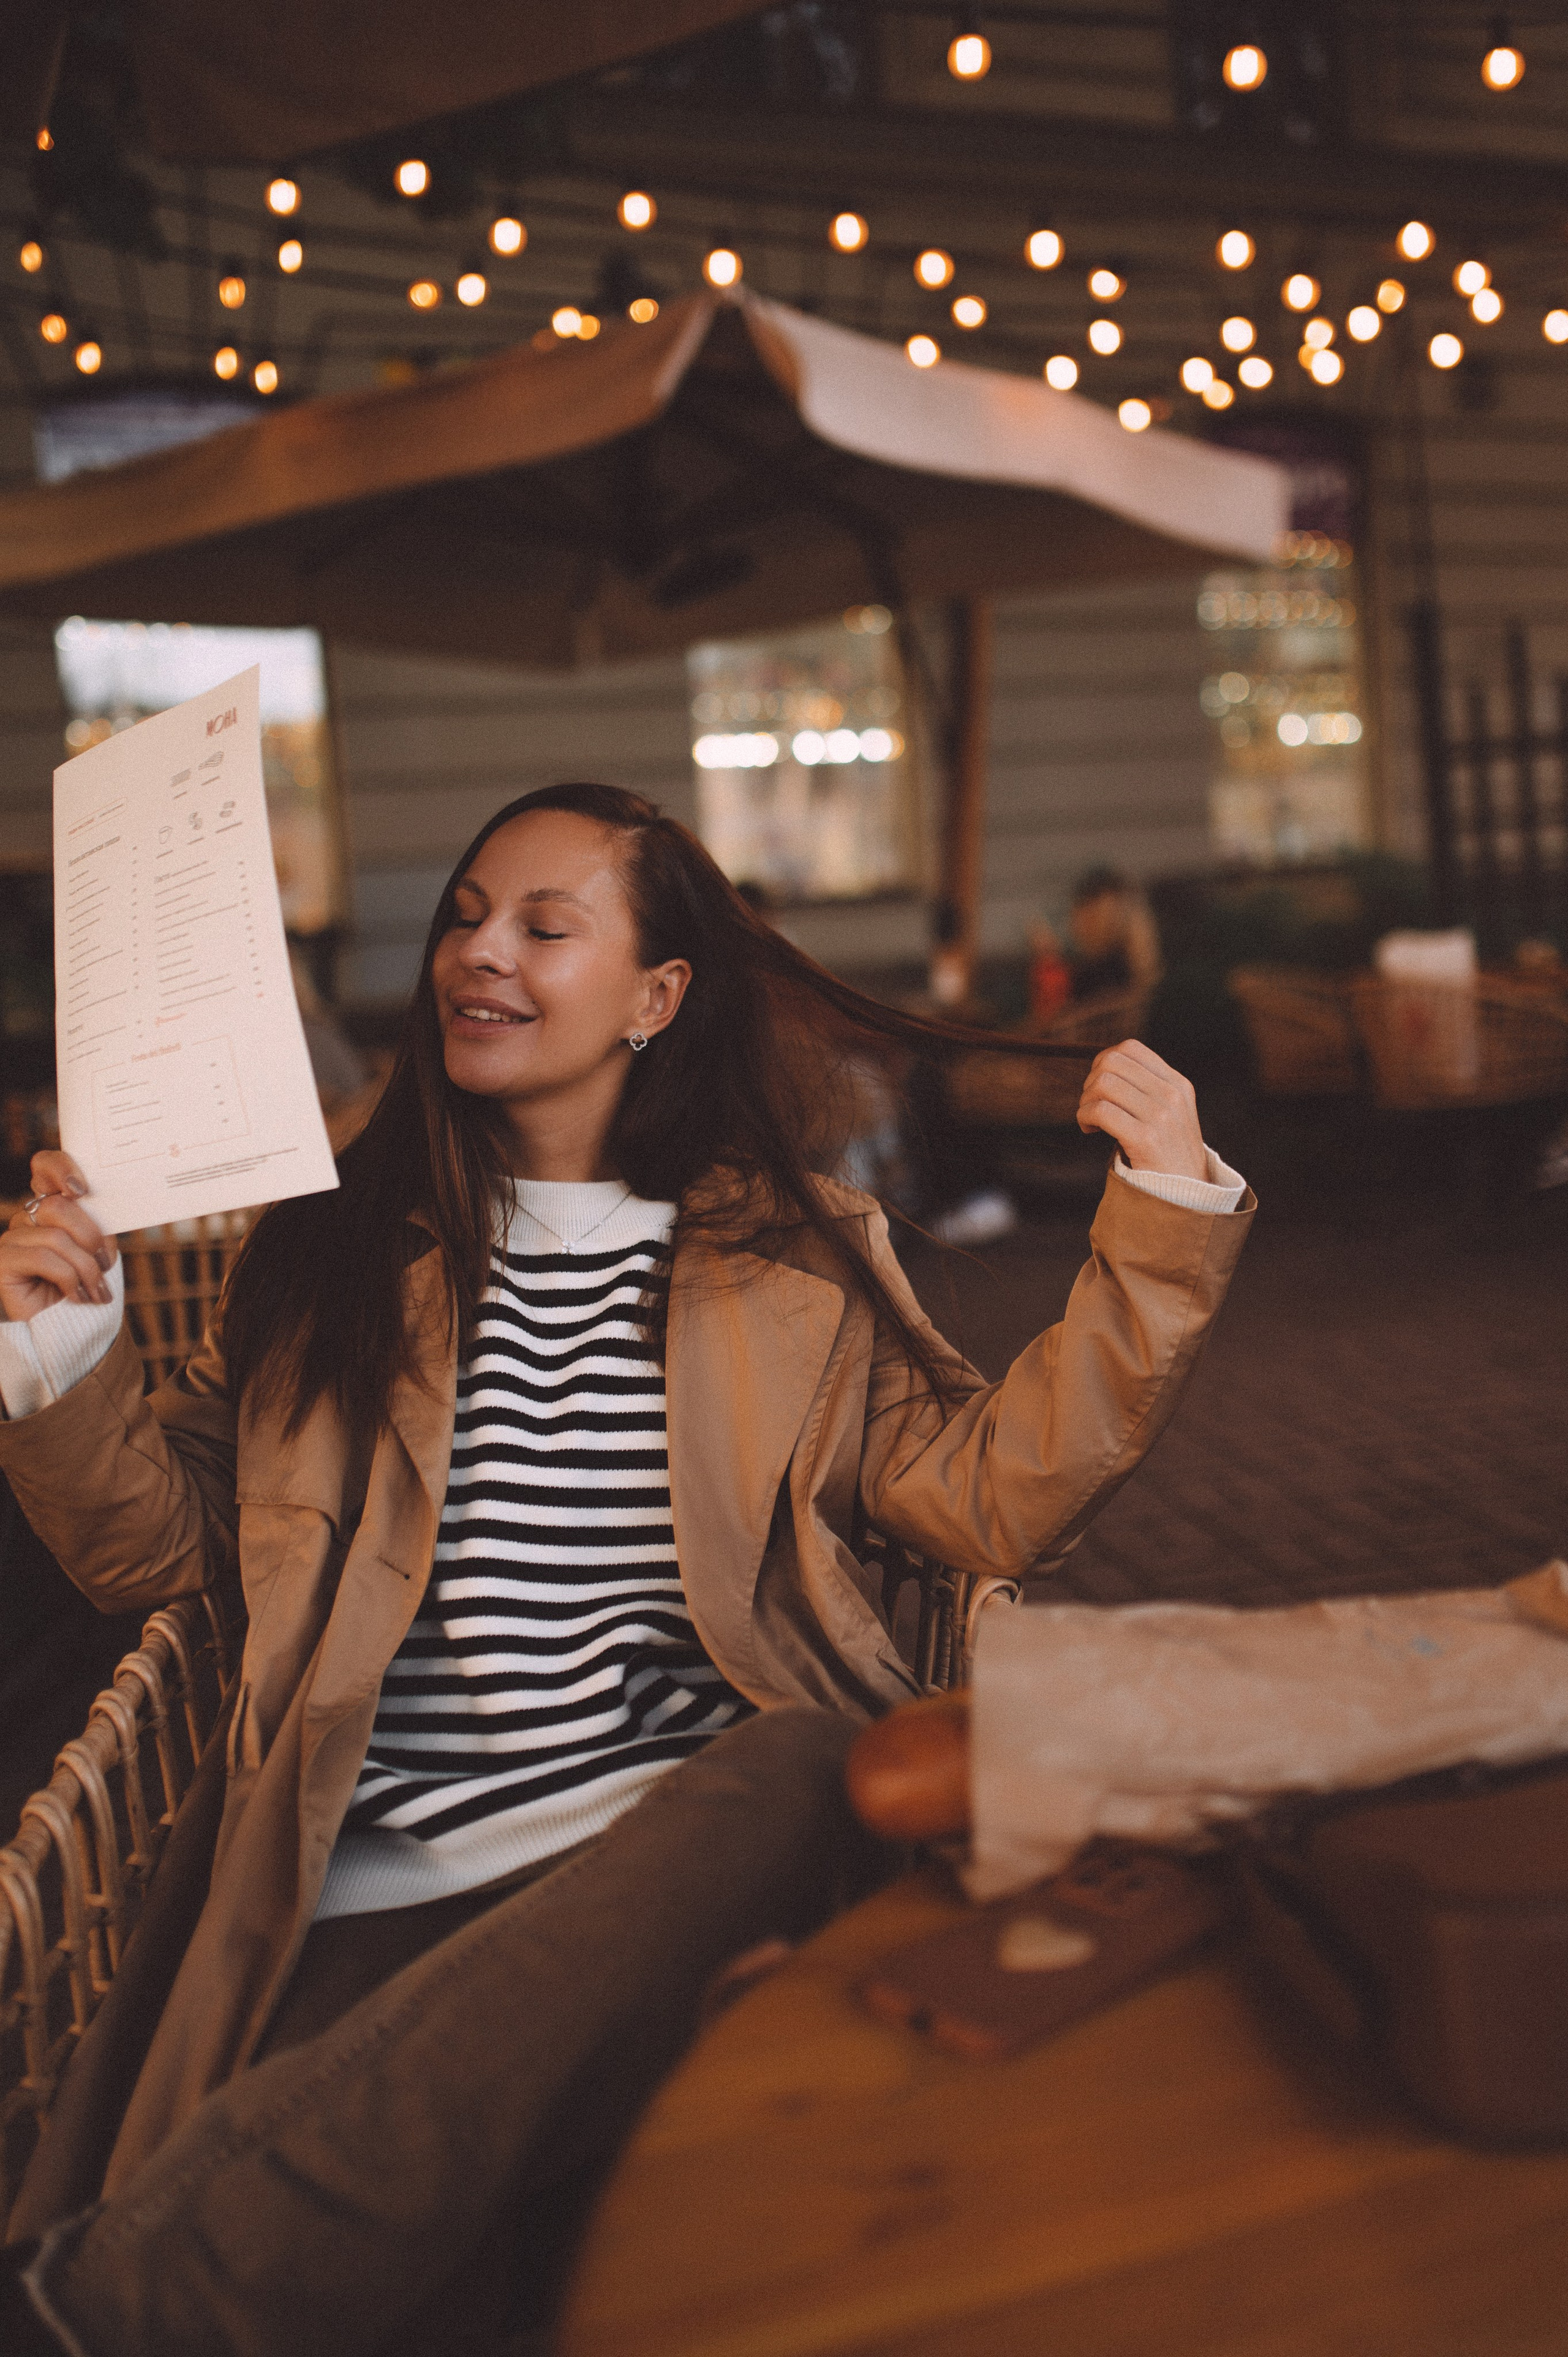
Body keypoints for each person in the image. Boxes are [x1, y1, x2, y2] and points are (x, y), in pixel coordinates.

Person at [0, 783, 1251, 2357]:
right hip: (365, 1891)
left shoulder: (796, 1257)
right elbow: (159, 1550)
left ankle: (97, 2313)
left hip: (672, 1858)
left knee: (802, 1761)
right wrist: (60, 1350)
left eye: (544, 925)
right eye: (466, 917)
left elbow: (991, 1498)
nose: (481, 952)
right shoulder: (323, 1255)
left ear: (656, 997)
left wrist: (1161, 1219)